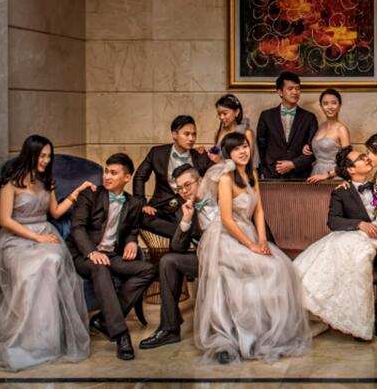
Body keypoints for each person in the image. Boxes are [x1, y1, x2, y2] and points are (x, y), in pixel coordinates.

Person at [194, 131, 311, 364]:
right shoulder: (226, 178)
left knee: (281, 267)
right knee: (261, 270)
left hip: (248, 232)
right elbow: (226, 219)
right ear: (228, 153)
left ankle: (266, 332)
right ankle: (240, 335)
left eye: (245, 146)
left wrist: (262, 240)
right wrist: (250, 245)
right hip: (226, 236)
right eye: (237, 148)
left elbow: (258, 211)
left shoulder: (252, 174)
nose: (243, 151)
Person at [0, 135, 92, 371]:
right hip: (16, 240)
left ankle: (47, 341)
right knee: (33, 270)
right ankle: (26, 341)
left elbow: (56, 212)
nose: (46, 161)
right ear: (30, 154)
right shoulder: (10, 184)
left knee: (53, 259)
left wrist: (77, 192)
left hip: (44, 232)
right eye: (42, 156)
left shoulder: (47, 182)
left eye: (49, 156)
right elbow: (5, 221)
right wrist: (37, 238)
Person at [294, 146, 377, 344]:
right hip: (358, 246)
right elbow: (333, 221)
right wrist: (359, 224)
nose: (366, 158)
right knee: (357, 259)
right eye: (361, 158)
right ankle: (358, 320)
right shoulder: (341, 192)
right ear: (351, 170)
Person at [68, 153, 157, 361]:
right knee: (100, 267)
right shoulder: (90, 195)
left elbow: (132, 228)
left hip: (112, 254)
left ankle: (103, 320)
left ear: (127, 177)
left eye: (113, 173)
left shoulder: (134, 202)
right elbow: (77, 227)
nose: (106, 177)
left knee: (149, 269)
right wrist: (91, 252)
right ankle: (120, 334)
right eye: (106, 171)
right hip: (84, 255)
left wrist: (132, 241)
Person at [139, 164, 205, 351]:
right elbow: (177, 247)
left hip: (228, 257)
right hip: (204, 258)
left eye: (187, 185)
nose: (184, 191)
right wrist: (185, 220)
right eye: (180, 188)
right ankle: (169, 328)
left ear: (200, 181)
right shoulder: (182, 207)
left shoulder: (219, 196)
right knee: (168, 261)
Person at [134, 115, 212, 237]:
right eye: (186, 134)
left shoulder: (200, 156)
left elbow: (212, 178)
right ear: (174, 134)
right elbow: (140, 177)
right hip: (161, 206)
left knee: (199, 223)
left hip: (188, 207)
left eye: (194, 134)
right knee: (141, 216)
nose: (191, 138)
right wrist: (142, 203)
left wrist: (213, 154)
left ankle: (184, 233)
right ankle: (184, 233)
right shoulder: (157, 153)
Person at [256, 71, 319, 180]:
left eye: (297, 89)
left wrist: (293, 164)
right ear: (280, 92)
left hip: (300, 176)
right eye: (290, 89)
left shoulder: (309, 118)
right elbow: (261, 147)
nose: (295, 92)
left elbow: (314, 150)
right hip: (272, 175)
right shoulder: (266, 116)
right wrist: (265, 171)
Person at [306, 88, 352, 183]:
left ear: (339, 105)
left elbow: (347, 161)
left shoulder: (342, 129)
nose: (330, 107)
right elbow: (319, 148)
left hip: (333, 177)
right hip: (316, 174)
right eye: (325, 103)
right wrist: (307, 147)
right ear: (321, 106)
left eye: (334, 103)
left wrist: (327, 174)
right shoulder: (321, 126)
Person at [209, 94, 254, 161]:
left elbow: (249, 161)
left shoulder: (246, 133)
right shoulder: (218, 133)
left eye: (225, 113)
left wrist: (219, 161)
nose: (221, 117)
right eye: (219, 114)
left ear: (237, 112)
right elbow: (214, 154)